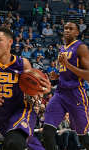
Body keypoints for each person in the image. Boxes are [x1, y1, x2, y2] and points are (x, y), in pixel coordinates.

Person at [42, 22, 89, 150]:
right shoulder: (62, 48)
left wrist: (68, 66)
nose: (67, 30)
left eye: (71, 28)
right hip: (60, 93)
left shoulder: (81, 47)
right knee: (47, 131)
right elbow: (67, 72)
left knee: (83, 137)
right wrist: (57, 76)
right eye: (65, 28)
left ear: (77, 32)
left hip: (76, 94)